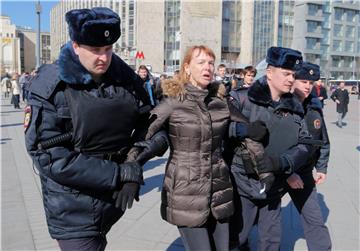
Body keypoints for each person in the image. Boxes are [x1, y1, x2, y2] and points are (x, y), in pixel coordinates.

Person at [24, 7, 168, 251]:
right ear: (76, 45)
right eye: (95, 50)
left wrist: (134, 162)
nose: (103, 57)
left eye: (108, 49)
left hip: (112, 200)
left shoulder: (125, 78)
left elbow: (152, 125)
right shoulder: (51, 85)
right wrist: (119, 174)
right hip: (72, 207)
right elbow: (48, 156)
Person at [144, 45, 234, 251]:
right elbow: (145, 134)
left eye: (211, 63)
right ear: (187, 67)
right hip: (186, 190)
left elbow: (243, 127)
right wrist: (129, 168)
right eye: (201, 62)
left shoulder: (220, 102)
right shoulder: (173, 102)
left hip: (219, 188)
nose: (208, 67)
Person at [227, 46, 312, 250]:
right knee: (236, 237)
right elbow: (217, 126)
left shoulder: (295, 108)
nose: (291, 79)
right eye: (286, 73)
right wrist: (241, 129)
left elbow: (305, 145)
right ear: (270, 72)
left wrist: (282, 162)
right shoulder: (242, 98)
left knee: (272, 241)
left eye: (293, 74)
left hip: (275, 186)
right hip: (243, 185)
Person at [290, 61, 332, 250]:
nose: (308, 86)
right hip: (278, 173)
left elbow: (323, 139)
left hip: (304, 173)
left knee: (314, 219)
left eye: (311, 82)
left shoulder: (314, 108)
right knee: (257, 218)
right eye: (303, 81)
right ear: (293, 80)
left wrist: (321, 167)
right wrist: (288, 173)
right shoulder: (278, 104)